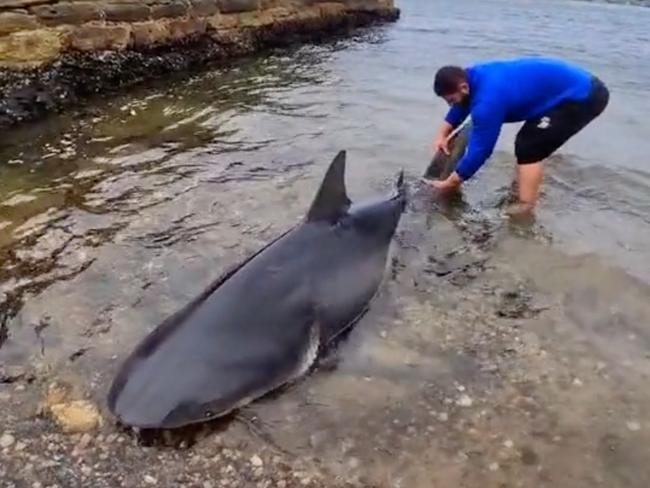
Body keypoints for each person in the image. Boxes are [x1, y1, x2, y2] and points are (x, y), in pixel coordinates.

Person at [426, 57, 609, 214]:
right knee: (530, 141)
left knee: (529, 145)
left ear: (464, 87)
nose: (451, 106)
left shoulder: (488, 101)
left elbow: (481, 151)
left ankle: (525, 207)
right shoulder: (472, 78)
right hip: (564, 91)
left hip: (584, 96)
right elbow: (461, 105)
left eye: (450, 100)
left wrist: (451, 183)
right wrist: (442, 135)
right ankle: (523, 188)